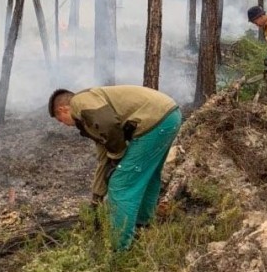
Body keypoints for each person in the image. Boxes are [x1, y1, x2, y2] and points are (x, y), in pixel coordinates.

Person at [48, 85, 182, 251]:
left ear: (63, 109)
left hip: (154, 122)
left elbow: (109, 126)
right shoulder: (91, 121)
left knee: (121, 184)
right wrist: (96, 198)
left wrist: (117, 157)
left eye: (60, 119)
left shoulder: (80, 102)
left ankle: (118, 248)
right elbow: (104, 159)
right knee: (148, 175)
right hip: (168, 116)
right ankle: (143, 225)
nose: (64, 124)